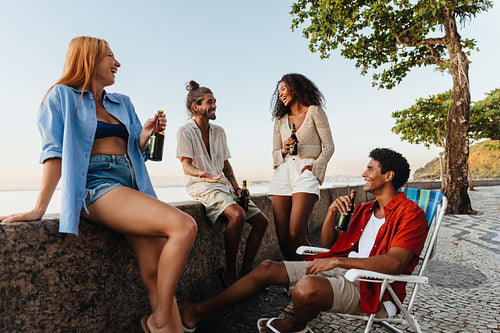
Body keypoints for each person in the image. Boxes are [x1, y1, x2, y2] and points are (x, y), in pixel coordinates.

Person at [0, 36, 196, 333]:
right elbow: (54, 152)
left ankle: (164, 325)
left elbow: (135, 152)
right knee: (184, 226)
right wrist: (39, 207)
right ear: (89, 58)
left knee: (155, 271)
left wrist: (143, 136)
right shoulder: (61, 97)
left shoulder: (123, 102)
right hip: (96, 185)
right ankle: (160, 320)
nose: (117, 63)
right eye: (110, 56)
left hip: (131, 186)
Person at [178, 148, 428, 333]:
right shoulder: (365, 210)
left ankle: (296, 324)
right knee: (266, 268)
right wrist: (331, 214)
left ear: (388, 175)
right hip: (344, 271)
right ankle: (197, 311)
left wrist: (337, 262)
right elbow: (331, 246)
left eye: (371, 169)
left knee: (306, 287)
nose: (364, 173)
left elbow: (395, 263)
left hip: (374, 289)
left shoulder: (410, 214)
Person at [176, 80, 269, 287]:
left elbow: (226, 166)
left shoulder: (219, 131)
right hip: (203, 187)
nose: (215, 106)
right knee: (237, 215)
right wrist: (203, 174)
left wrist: (237, 188)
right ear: (196, 107)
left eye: (215, 101)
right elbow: (186, 166)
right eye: (210, 102)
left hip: (225, 187)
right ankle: (230, 272)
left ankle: (247, 273)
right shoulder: (185, 131)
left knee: (261, 221)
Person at [268, 73, 335, 261]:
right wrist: (283, 150)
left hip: (306, 170)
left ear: (296, 87)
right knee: (282, 237)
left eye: (283, 88)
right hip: (283, 172)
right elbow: (274, 152)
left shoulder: (315, 111)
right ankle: (295, 280)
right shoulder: (280, 119)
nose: (281, 94)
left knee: (296, 233)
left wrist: (316, 165)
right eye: (278, 91)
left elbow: (329, 146)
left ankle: (315, 274)